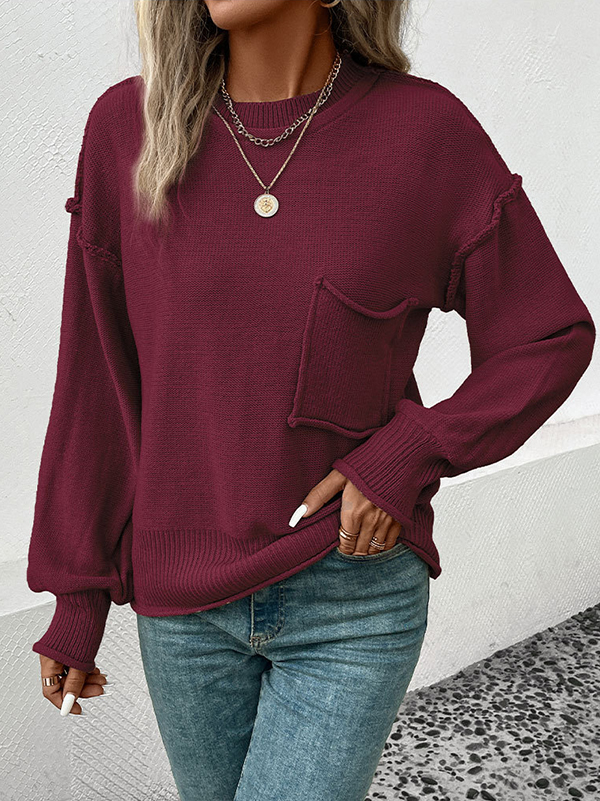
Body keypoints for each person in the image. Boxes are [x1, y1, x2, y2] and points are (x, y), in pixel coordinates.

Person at [27, 1, 595, 799]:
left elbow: (548, 334)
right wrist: (79, 591)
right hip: (182, 603)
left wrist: (408, 452)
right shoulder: (130, 126)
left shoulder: (424, 133)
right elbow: (97, 373)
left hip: (351, 590)